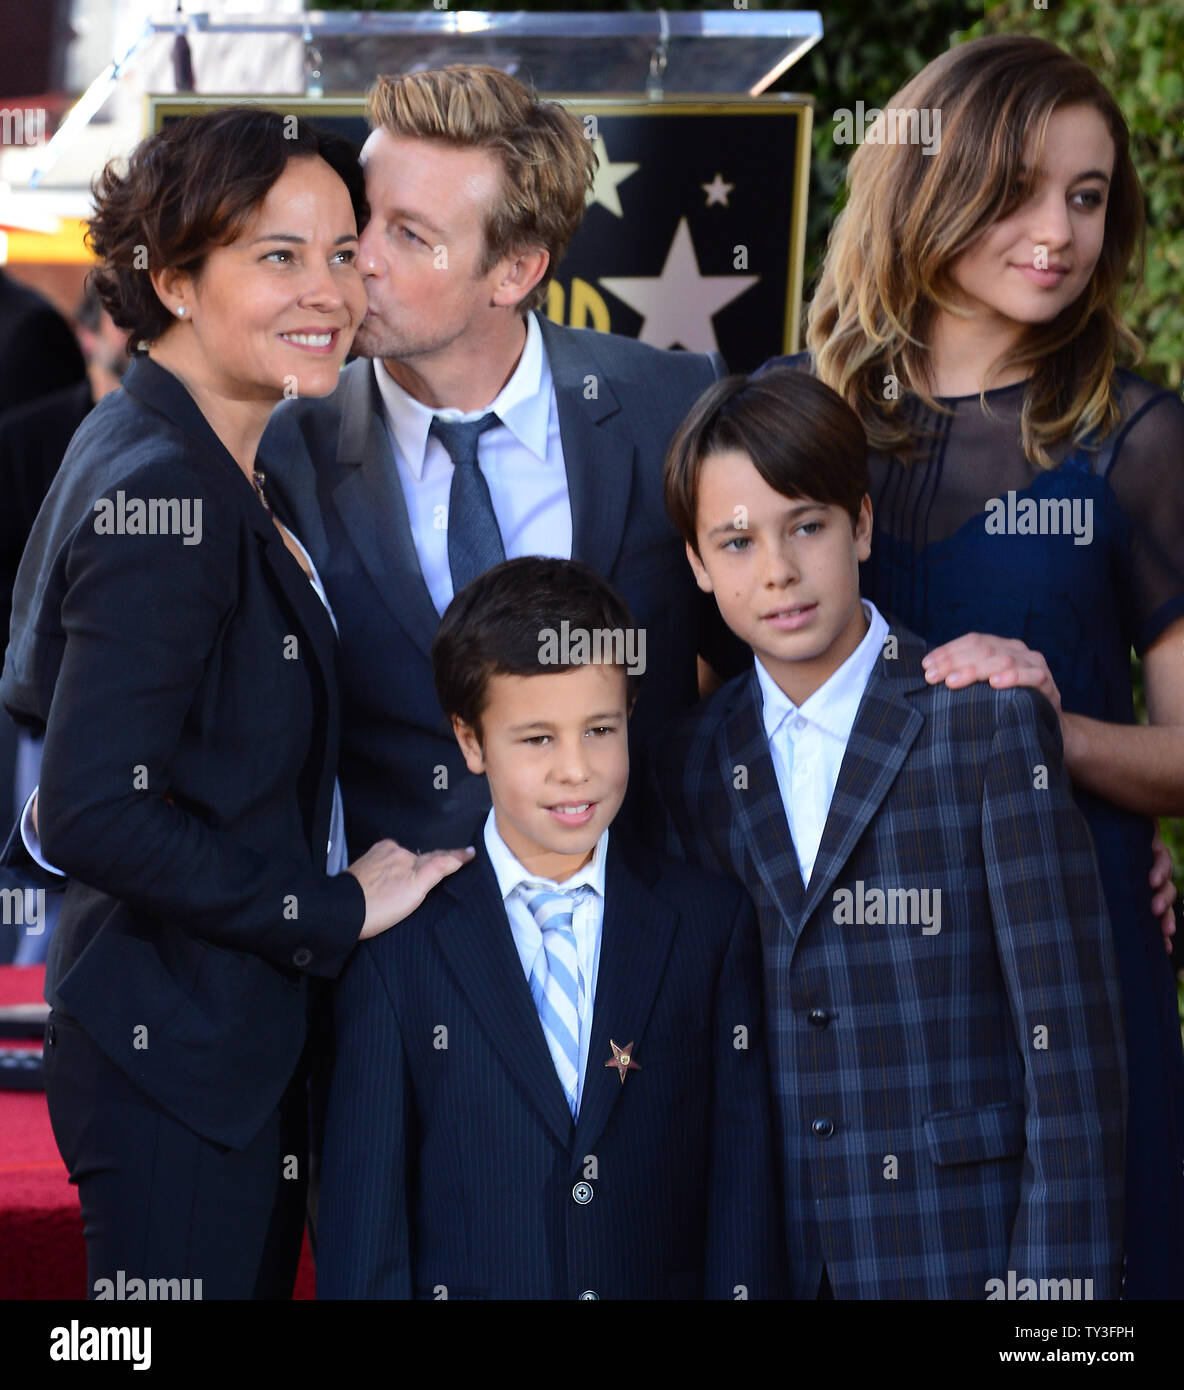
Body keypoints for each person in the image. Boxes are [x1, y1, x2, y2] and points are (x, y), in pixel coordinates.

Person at [0, 106, 471, 1300]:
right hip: (177, 1060)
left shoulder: (199, 454)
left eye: (340, 250)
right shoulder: (168, 489)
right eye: (276, 256)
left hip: (209, 1043)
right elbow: (95, 808)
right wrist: (328, 905)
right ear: (169, 277)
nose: (328, 290)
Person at [762, 33, 1184, 1299]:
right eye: (1016, 189)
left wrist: (1046, 731)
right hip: (849, 978)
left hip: (1072, 956)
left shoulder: (1138, 435)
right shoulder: (794, 418)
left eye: (1087, 195)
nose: (1055, 230)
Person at [647, 368, 1126, 1299]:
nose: (777, 570)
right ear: (700, 566)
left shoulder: (985, 724)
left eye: (807, 526)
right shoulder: (685, 765)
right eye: (737, 542)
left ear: (861, 524)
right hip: (769, 1261)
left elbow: (1072, 1062)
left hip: (965, 1256)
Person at [260, 64, 746, 859]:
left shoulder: (672, 405)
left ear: (515, 271)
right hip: (400, 957)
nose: (359, 258)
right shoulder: (286, 447)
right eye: (361, 217)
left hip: (646, 935)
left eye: (411, 235)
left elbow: (759, 664)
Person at [318, 557, 782, 1300]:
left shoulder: (707, 926)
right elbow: (365, 1230)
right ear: (471, 743)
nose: (578, 770)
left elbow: (742, 1197)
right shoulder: (400, 950)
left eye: (600, 728)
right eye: (537, 740)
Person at [0, 288, 131, 965]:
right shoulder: (28, 438)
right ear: (86, 335)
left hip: (138, 703)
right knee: (42, 874)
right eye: (120, 314)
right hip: (42, 700)